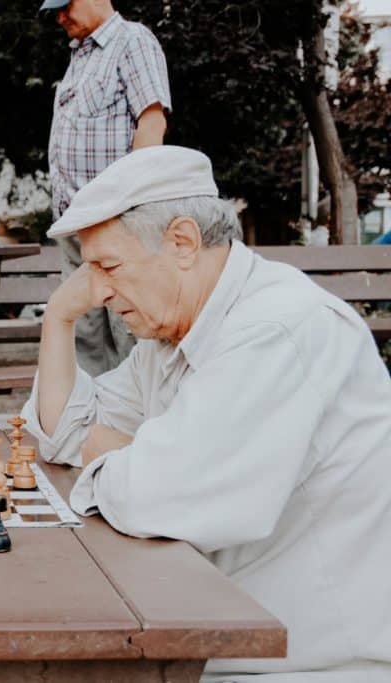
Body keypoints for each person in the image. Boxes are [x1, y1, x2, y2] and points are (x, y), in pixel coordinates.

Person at [21, 146, 391, 681]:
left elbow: (157, 496)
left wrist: (127, 455)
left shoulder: (277, 331)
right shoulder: (170, 334)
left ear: (183, 243)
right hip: (217, 637)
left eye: (108, 266)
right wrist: (58, 317)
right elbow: (64, 435)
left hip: (310, 662)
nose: (97, 291)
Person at [39, 0, 171, 376]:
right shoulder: (79, 55)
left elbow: (152, 124)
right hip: (73, 224)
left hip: (116, 222)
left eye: (65, 6)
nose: (60, 17)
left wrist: (129, 209)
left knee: (130, 333)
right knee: (84, 338)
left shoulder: (133, 41)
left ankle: (139, 429)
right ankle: (95, 428)